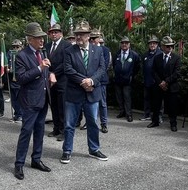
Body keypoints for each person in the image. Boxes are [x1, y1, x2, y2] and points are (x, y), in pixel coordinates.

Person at [60, 20, 108, 164]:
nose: (79, 37)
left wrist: (91, 81)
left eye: (82, 34)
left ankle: (94, 149)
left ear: (88, 36)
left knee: (92, 123)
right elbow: (68, 70)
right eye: (77, 34)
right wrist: (84, 82)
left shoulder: (98, 50)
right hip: (74, 93)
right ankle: (67, 150)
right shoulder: (69, 51)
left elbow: (102, 69)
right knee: (69, 124)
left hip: (92, 93)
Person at [13, 22, 53, 180]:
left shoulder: (41, 53)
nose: (42, 40)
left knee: (40, 131)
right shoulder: (22, 56)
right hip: (30, 100)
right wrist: (40, 69)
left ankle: (36, 159)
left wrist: (49, 75)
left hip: (43, 98)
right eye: (38, 38)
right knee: (26, 132)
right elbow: (21, 78)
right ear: (30, 39)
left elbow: (44, 72)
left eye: (42, 37)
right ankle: (19, 164)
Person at [148, 36, 181, 132]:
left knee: (172, 106)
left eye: (171, 46)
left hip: (171, 86)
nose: (169, 47)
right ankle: (155, 121)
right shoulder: (157, 57)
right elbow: (154, 71)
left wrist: (166, 81)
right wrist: (160, 82)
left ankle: (173, 124)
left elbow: (177, 73)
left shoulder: (176, 58)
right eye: (167, 46)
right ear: (162, 46)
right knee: (156, 105)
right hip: (159, 86)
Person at [45, 23, 70, 137]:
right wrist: (49, 73)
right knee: (53, 104)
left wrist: (54, 73)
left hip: (62, 80)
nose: (54, 34)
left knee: (62, 106)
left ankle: (64, 131)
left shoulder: (67, 45)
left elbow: (66, 63)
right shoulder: (47, 46)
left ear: (61, 33)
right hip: (50, 80)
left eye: (56, 32)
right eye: (51, 32)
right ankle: (56, 128)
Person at [113, 36, 140, 122]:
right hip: (118, 80)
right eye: (122, 43)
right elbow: (114, 65)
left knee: (127, 97)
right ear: (120, 44)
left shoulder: (134, 55)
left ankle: (129, 114)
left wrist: (131, 75)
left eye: (126, 43)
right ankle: (122, 111)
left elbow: (137, 67)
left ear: (129, 44)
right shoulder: (116, 54)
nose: (124, 44)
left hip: (127, 81)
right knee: (119, 97)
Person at [141, 35, 162, 122]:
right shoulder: (145, 55)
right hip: (147, 80)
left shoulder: (160, 54)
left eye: (154, 43)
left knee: (158, 100)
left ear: (157, 44)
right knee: (147, 99)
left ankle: (159, 116)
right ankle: (147, 114)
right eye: (150, 43)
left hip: (157, 81)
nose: (152, 45)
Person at [6, 39, 23, 122]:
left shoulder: (22, 55)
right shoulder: (10, 54)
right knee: (13, 99)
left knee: (19, 98)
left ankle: (20, 115)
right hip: (11, 79)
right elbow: (7, 64)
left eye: (17, 47)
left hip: (19, 80)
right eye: (14, 47)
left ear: (21, 47)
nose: (15, 48)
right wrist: (7, 68)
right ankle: (16, 114)